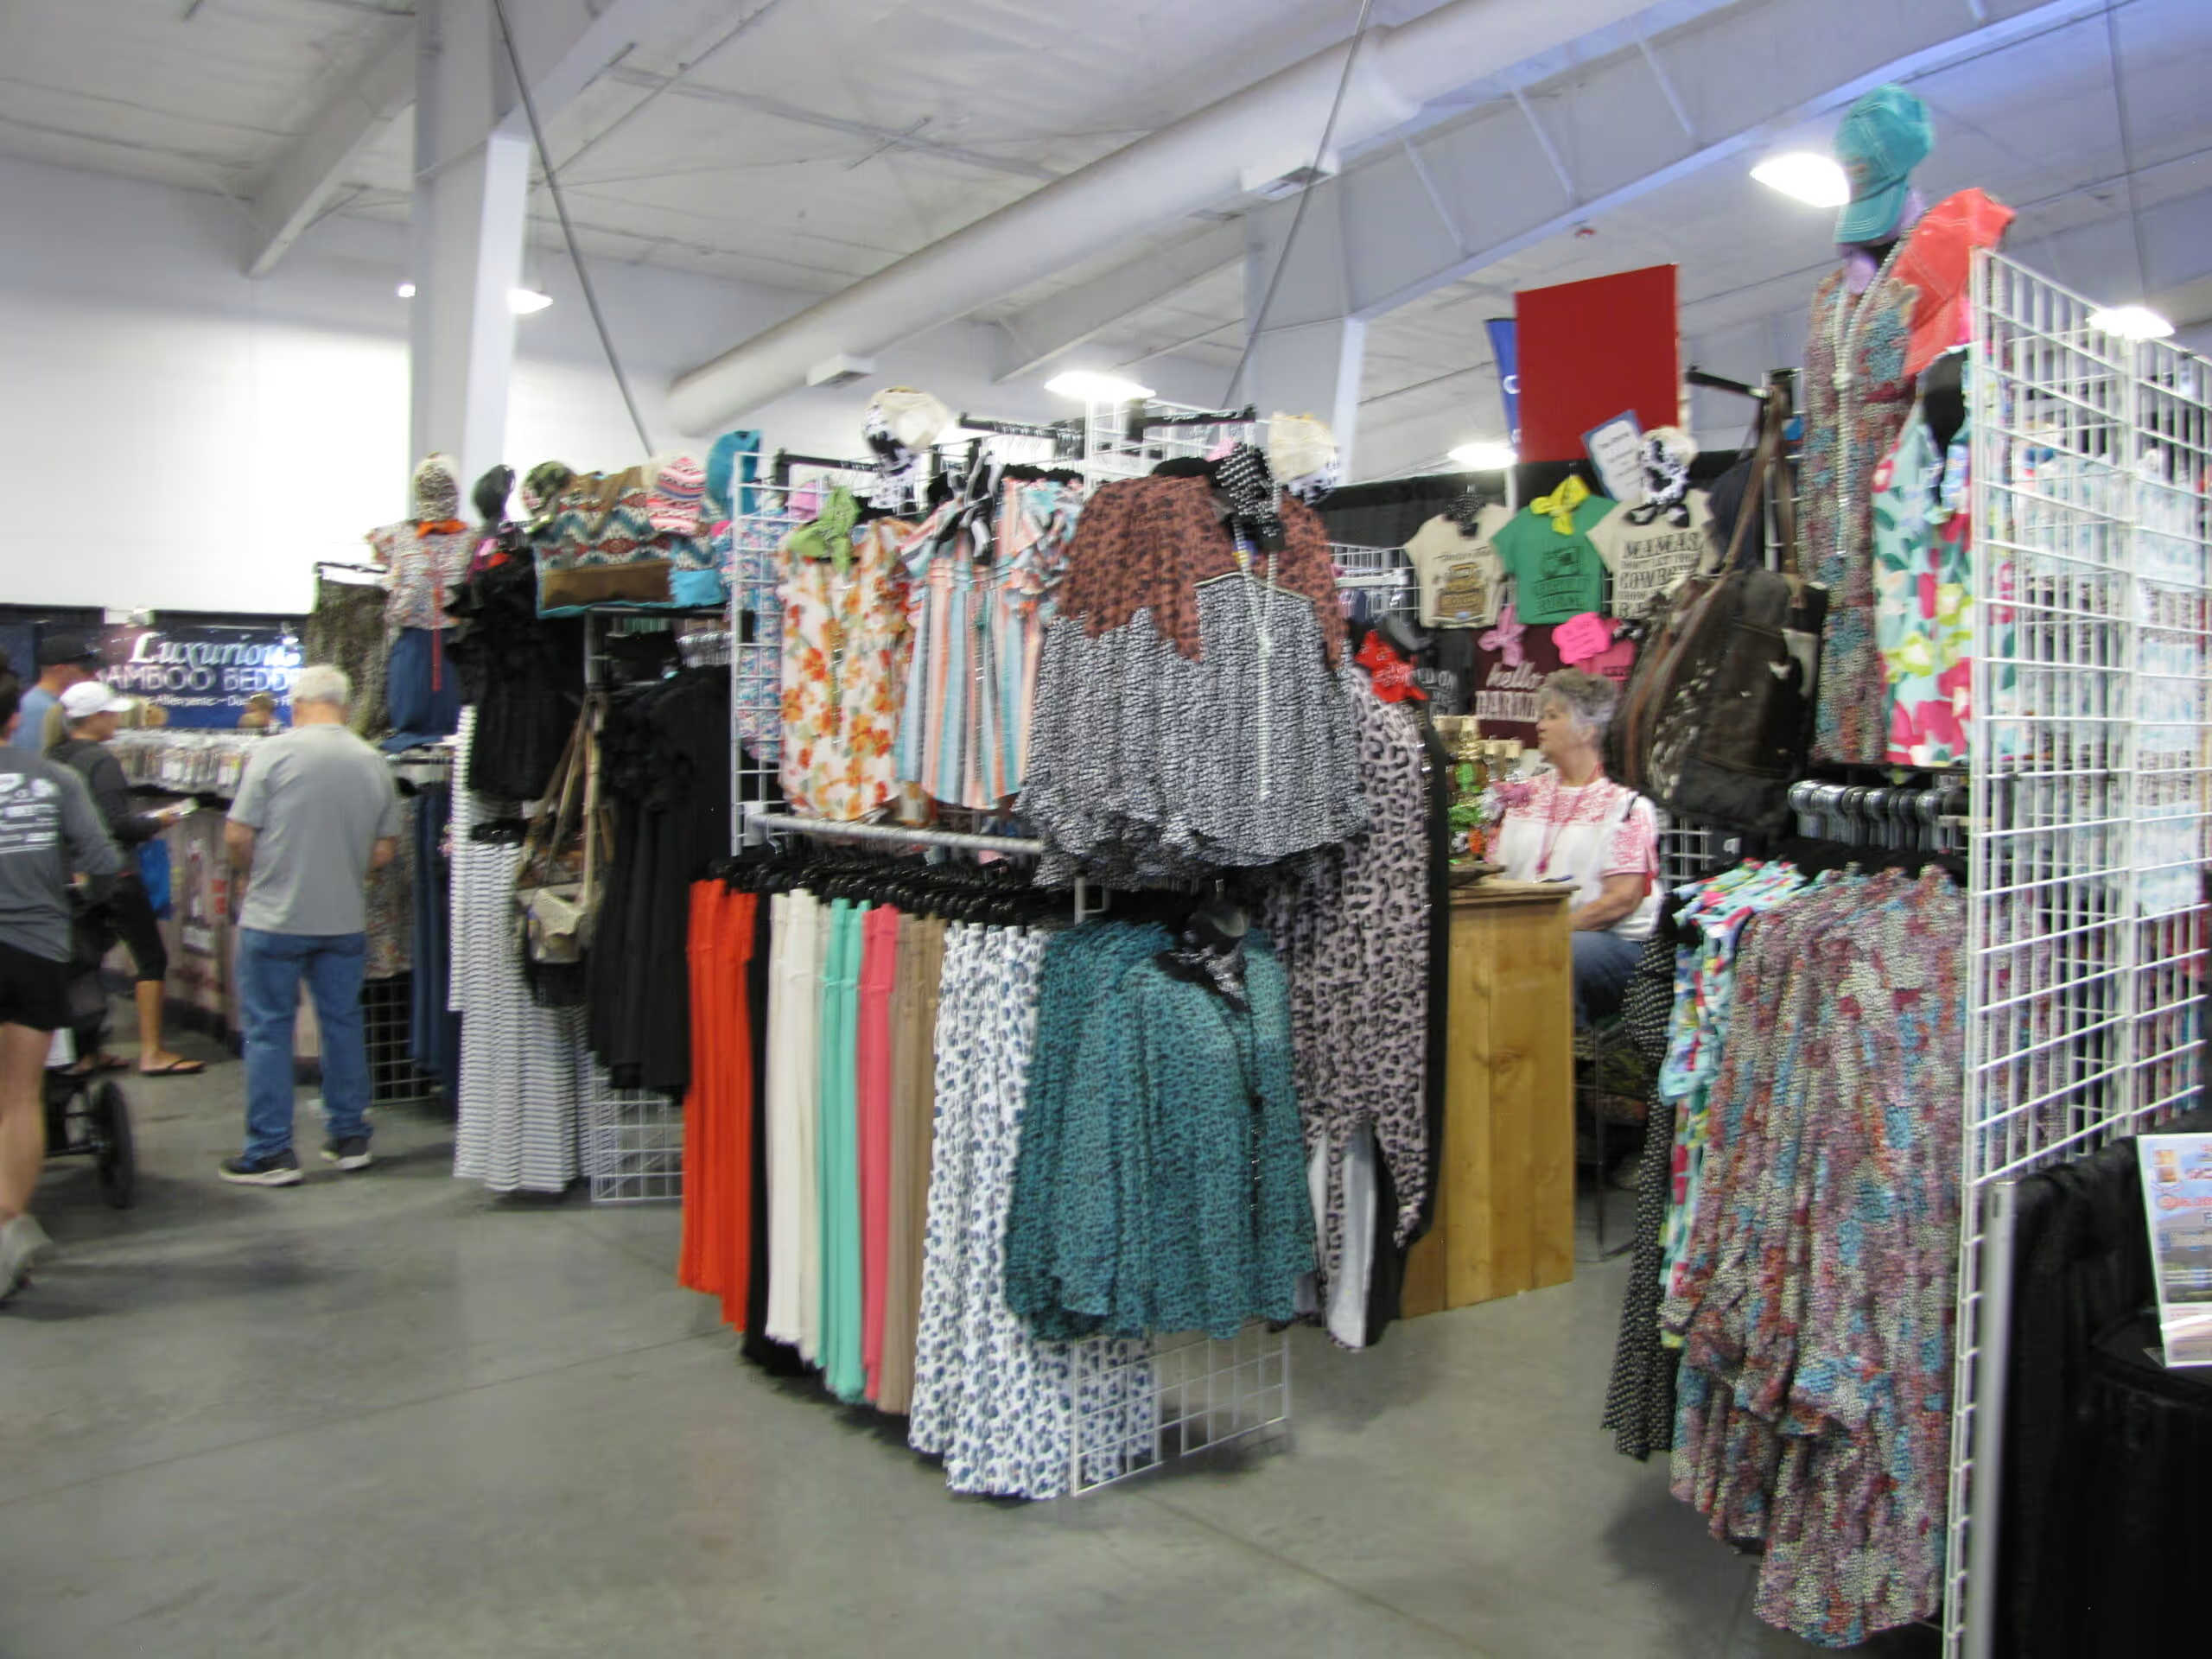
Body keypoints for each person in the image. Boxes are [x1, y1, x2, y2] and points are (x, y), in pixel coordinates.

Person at [219, 664, 402, 1186]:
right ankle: (350, 1137)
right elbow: (385, 850)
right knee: (343, 1024)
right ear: (345, 705)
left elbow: (236, 835)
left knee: (268, 1031)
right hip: (343, 919)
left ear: (297, 704)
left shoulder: (273, 753)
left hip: (274, 917)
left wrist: (250, 875)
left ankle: (271, 1151)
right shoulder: (372, 760)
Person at [0, 661, 125, 1300]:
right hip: (35, 949)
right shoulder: (55, 780)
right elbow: (103, 860)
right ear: (13, 718)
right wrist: (81, 896)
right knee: (19, 1097)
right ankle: (6, 1230)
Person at [48, 680, 204, 1077]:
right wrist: (161, 819)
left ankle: (85, 1052)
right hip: (113, 875)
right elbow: (116, 825)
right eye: (111, 714)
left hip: (70, 877)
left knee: (85, 963)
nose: (117, 720)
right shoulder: (101, 763)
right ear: (96, 718)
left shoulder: (53, 757)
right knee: (150, 958)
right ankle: (152, 1052)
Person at [1492, 669, 1660, 1026]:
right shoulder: (1525, 796)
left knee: (1557, 953)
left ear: (1588, 730)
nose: (1540, 725)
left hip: (1609, 942)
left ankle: (1554, 1053)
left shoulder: (1626, 804)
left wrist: (1549, 931)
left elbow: (1623, 899)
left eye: (1553, 716)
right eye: (1541, 716)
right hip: (1530, 935)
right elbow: (1494, 873)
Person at [20, 634, 99, 755]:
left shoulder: (53, 703)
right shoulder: (40, 709)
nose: (93, 676)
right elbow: (34, 761)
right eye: (86, 670)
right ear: (60, 670)